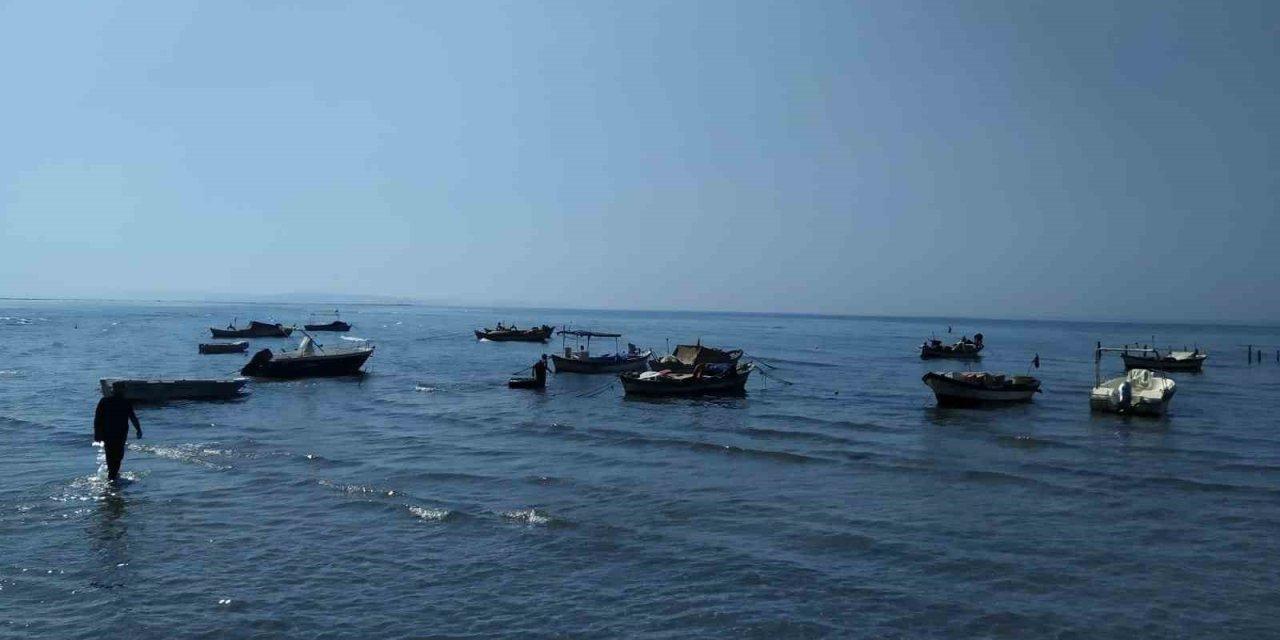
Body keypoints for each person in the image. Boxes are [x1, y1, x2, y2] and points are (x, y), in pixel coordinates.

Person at [93, 386, 142, 481]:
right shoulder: (124, 402)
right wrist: (138, 429)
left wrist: (97, 433)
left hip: (109, 432)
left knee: (110, 453)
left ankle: (112, 474)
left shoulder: (105, 401)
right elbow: (133, 417)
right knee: (118, 454)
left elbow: (97, 418)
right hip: (120, 432)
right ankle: (113, 474)